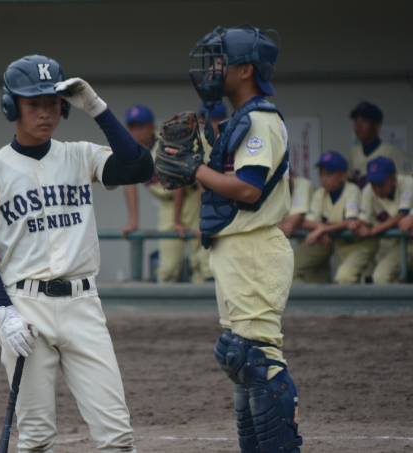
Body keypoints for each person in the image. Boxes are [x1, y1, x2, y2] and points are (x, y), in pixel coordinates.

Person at [0, 55, 153, 453]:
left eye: (52, 103)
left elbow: (138, 167)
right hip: (25, 311)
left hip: (83, 305)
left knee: (117, 437)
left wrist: (97, 108)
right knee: (37, 440)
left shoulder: (80, 154)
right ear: (11, 106)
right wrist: (4, 311)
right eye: (33, 103)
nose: (45, 113)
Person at [157, 25, 302, 452]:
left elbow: (248, 189)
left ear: (246, 70)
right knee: (239, 360)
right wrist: (198, 155)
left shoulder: (260, 120)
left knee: (257, 359)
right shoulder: (239, 120)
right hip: (237, 249)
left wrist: (195, 169)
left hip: (254, 248)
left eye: (222, 60)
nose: (213, 68)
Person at [120, 105, 200, 283]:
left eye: (141, 126)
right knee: (167, 269)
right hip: (167, 204)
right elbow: (129, 185)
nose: (136, 132)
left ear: (152, 127)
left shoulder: (166, 144)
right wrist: (133, 222)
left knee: (199, 262)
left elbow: (178, 183)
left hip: (192, 198)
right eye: (132, 127)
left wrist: (177, 221)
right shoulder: (131, 153)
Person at [171, 102, 228, 282]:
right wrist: (178, 220)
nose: (210, 124)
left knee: (212, 264)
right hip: (203, 203)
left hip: (229, 202)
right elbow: (190, 182)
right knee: (198, 261)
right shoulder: (197, 141)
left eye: (215, 119)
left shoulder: (231, 138)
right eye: (206, 119)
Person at [297, 151, 374, 284]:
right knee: (290, 266)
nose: (324, 178)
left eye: (329, 174)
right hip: (336, 242)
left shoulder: (352, 190)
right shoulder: (320, 193)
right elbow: (306, 223)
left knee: (346, 279)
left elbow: (351, 221)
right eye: (321, 174)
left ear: (343, 176)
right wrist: (322, 228)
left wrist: (323, 229)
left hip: (358, 243)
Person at [353, 156, 413, 283]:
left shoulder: (407, 183)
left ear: (393, 179)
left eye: (380, 184)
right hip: (391, 245)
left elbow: (402, 215)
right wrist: (357, 224)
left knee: (382, 277)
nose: (376, 189)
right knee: (381, 278)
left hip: (409, 243)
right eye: (373, 183)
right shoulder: (368, 191)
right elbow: (363, 219)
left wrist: (373, 230)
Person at [281, 168, 331, 283]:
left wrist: (275, 225)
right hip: (309, 240)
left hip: (321, 238)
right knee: (318, 280)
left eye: (283, 177)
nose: (280, 182)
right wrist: (278, 226)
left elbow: (292, 224)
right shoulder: (273, 190)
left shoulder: (303, 185)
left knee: (289, 270)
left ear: (292, 175)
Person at [347, 101, 411, 189]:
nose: (358, 126)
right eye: (356, 121)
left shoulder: (391, 151)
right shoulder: (353, 153)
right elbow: (349, 181)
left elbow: (410, 177)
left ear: (376, 125)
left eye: (363, 121)